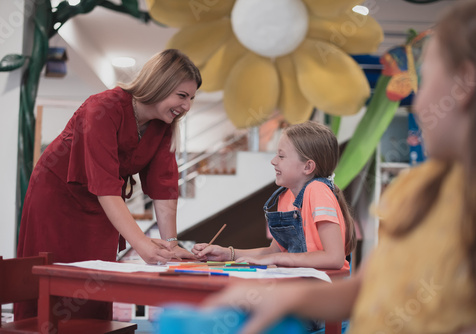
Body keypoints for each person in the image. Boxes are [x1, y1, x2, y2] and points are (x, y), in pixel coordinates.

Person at [202, 1, 476, 333]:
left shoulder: (318, 191)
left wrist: (284, 274)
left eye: (427, 78)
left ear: (465, 81)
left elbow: (328, 260)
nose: (417, 102)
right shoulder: (414, 189)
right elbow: (362, 287)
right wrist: (260, 276)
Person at [16, 49, 200, 320]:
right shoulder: (103, 107)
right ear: (158, 84)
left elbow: (165, 189)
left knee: (95, 282)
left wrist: (170, 245)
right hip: (57, 197)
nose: (186, 106)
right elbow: (104, 185)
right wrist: (142, 245)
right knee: (52, 275)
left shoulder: (163, 125)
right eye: (182, 96)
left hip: (103, 204)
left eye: (192, 98)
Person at [192, 121, 356, 271]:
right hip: (300, 284)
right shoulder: (286, 197)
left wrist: (279, 259)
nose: (273, 161)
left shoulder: (317, 190)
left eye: (281, 156)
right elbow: (273, 251)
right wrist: (228, 254)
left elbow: (334, 258)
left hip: (325, 289)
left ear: (308, 166)